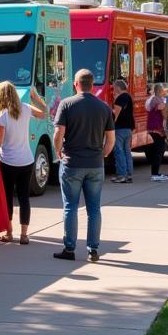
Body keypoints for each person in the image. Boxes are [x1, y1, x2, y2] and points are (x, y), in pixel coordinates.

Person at [52, 68, 115, 262]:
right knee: (94, 208)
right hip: (95, 163)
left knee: (70, 206)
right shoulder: (104, 107)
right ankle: (93, 249)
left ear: (76, 84)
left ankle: (69, 248)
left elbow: (58, 134)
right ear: (92, 85)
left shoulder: (67, 104)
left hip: (72, 162)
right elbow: (110, 139)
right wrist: (102, 154)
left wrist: (58, 152)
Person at [0, 80, 47, 244]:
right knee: (24, 198)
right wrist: (35, 97)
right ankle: (24, 235)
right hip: (27, 161)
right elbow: (44, 113)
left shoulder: (2, 115)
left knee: (7, 198)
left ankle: (9, 232)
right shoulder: (26, 108)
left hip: (8, 162)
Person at [110, 78, 136, 184]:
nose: (113, 90)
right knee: (127, 151)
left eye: (114, 88)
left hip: (120, 128)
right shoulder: (129, 97)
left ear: (118, 88)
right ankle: (129, 174)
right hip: (128, 128)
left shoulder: (120, 98)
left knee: (119, 151)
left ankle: (121, 175)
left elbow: (116, 114)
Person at [145, 83, 168, 181]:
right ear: (160, 91)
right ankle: (155, 174)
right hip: (157, 128)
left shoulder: (151, 99)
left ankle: (155, 172)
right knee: (159, 151)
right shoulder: (157, 99)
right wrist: (166, 107)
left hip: (151, 127)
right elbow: (162, 110)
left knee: (156, 149)